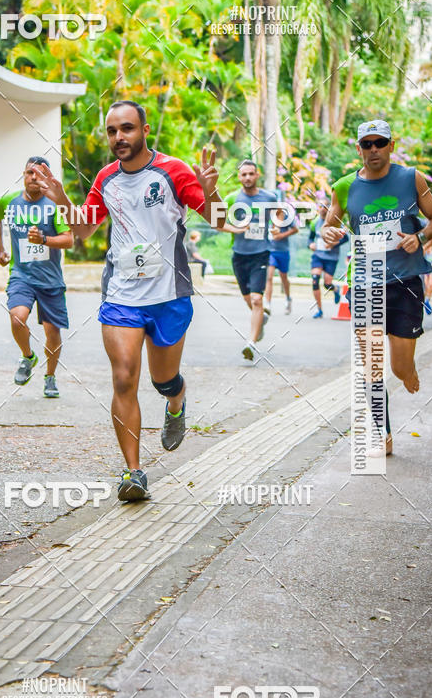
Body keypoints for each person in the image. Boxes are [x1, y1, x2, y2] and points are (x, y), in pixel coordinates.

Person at [31, 101, 224, 501]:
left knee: (163, 380)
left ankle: (176, 401)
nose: (119, 137)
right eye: (112, 131)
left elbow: (220, 220)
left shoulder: (173, 172)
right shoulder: (106, 178)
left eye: (127, 129)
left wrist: (213, 192)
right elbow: (83, 231)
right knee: (123, 377)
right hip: (121, 295)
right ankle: (133, 472)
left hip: (170, 294)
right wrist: (63, 198)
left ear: (145, 130)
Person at [323, 119, 432, 455]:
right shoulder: (345, 186)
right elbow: (328, 226)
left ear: (391, 145)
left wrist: (418, 237)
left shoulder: (410, 178)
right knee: (371, 366)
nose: (373, 150)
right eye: (367, 144)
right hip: (365, 283)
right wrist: (328, 232)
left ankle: (407, 369)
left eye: (380, 143)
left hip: (405, 283)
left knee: (398, 367)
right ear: (359, 148)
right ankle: (383, 435)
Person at [0, 157, 74, 398]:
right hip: (21, 275)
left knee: (52, 332)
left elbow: (68, 239)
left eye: (38, 174)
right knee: (17, 318)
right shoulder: (10, 201)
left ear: (46, 178)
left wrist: (44, 240)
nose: (33, 178)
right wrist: (1, 249)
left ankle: (50, 377)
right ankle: (28, 356)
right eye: (29, 173)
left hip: (50, 279)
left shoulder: (53, 205)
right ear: (23, 175)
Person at [222, 160, 278, 360]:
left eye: (250, 174)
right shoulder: (231, 198)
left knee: (257, 298)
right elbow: (217, 223)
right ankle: (260, 319)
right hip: (239, 255)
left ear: (257, 174)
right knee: (249, 299)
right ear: (239, 177)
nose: (247, 177)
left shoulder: (269, 197)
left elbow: (279, 214)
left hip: (260, 253)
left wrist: (276, 227)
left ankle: (251, 344)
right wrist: (236, 228)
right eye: (243, 174)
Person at [307, 200, 346, 318]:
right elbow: (310, 238)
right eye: (320, 206)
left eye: (325, 206)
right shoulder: (315, 223)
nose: (323, 209)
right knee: (315, 280)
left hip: (331, 257)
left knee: (327, 284)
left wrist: (333, 244)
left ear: (329, 208)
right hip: (318, 255)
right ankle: (319, 309)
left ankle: (335, 289)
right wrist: (310, 245)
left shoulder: (336, 221)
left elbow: (345, 238)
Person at [264, 204, 298, 315]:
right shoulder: (266, 216)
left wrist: (282, 235)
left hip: (283, 251)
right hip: (270, 251)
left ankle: (288, 299)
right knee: (269, 277)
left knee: (284, 278)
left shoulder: (286, 216)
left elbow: (295, 229)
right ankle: (267, 304)